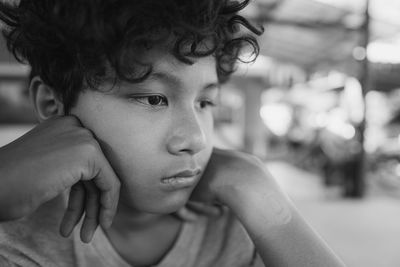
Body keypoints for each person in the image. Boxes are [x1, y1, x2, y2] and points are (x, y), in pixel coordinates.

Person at [0, 0, 346, 266]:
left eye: (205, 103)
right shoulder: (17, 234)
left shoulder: (239, 228)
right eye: (154, 98)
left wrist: (255, 187)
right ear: (53, 104)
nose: (195, 140)